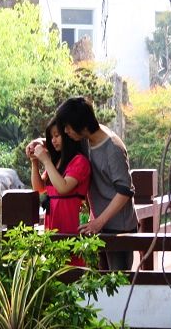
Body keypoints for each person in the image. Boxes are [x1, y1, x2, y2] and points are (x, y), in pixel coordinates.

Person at [55, 96, 138, 270]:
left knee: (119, 285)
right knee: (100, 284)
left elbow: (125, 191)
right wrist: (40, 144)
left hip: (118, 228)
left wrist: (99, 222)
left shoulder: (113, 148)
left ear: (81, 125)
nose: (66, 131)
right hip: (99, 225)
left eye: (68, 127)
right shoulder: (84, 140)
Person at [29, 118, 91, 266]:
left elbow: (63, 187)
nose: (53, 140)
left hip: (71, 225)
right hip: (53, 226)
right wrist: (35, 162)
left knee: (73, 267)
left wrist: (46, 160)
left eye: (57, 136)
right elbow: (39, 188)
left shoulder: (79, 161)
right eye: (51, 137)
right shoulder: (57, 163)